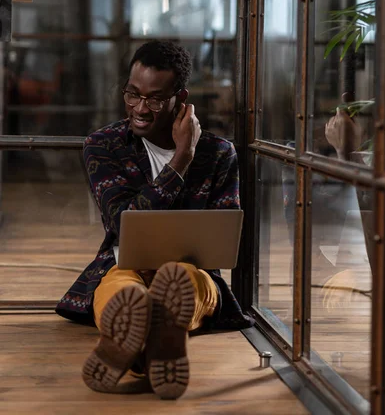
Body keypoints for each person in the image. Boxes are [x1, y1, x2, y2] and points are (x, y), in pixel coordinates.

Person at [55, 40, 253, 400]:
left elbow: (224, 237)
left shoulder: (219, 153)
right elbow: (123, 220)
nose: (141, 108)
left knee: (186, 283)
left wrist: (191, 153)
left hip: (190, 270)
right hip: (124, 263)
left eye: (155, 99)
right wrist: (181, 160)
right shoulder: (104, 145)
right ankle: (156, 333)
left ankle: (134, 343)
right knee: (120, 291)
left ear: (181, 98)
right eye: (133, 94)